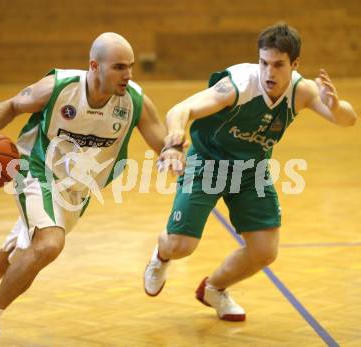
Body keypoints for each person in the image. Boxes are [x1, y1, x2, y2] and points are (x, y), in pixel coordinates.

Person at [0, 32, 184, 347]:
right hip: (35, 167)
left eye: (131, 66)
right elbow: (13, 105)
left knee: (13, 259)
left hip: (76, 191)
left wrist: (172, 152)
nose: (128, 75)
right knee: (50, 244)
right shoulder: (59, 87)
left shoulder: (134, 101)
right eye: (119, 67)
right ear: (95, 66)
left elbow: (160, 143)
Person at [144, 23, 357, 322]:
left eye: (278, 65)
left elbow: (349, 120)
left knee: (265, 250)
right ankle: (161, 254)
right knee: (181, 246)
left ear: (294, 64)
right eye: (264, 63)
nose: (269, 72)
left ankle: (214, 289)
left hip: (251, 170)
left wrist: (335, 107)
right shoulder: (238, 86)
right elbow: (180, 110)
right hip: (208, 161)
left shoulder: (302, 91)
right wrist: (174, 144)